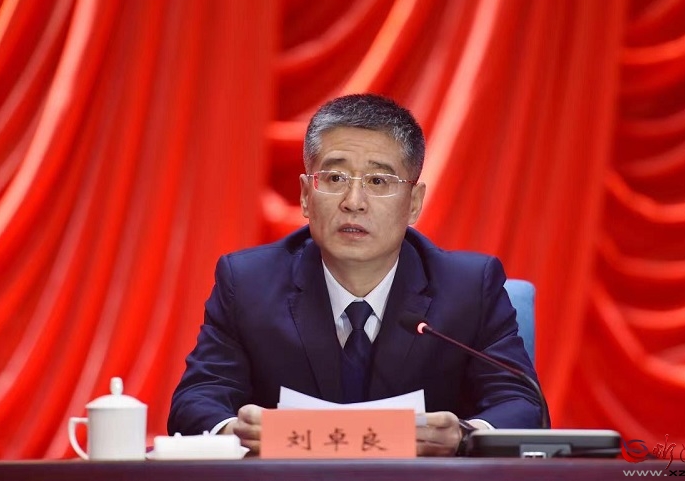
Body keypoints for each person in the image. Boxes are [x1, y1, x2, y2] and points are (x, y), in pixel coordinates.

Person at [168, 93, 547, 456]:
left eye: (378, 182)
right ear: (305, 195)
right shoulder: (248, 282)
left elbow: (522, 404)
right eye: (334, 179)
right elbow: (195, 399)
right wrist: (235, 432)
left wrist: (464, 436)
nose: (353, 202)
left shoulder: (469, 288)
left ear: (414, 203)